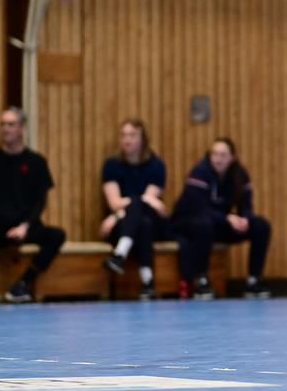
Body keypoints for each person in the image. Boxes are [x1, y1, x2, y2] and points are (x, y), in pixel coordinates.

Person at [0, 106, 65, 304]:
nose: (5, 129)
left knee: (57, 235)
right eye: (3, 124)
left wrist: (25, 225)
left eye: (11, 124)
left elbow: (40, 201)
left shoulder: (35, 162)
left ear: (22, 128)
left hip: (25, 225)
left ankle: (22, 284)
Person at [172, 137, 272, 300]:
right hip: (188, 222)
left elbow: (246, 204)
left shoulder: (239, 174)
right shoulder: (200, 172)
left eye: (223, 155)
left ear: (232, 157)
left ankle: (254, 280)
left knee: (260, 225)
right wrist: (227, 218)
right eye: (215, 154)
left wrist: (244, 219)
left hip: (217, 223)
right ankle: (201, 280)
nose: (218, 159)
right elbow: (198, 208)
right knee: (205, 225)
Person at [99, 119, 173, 301]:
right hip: (125, 225)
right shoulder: (112, 165)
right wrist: (119, 214)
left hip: (150, 223)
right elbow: (115, 202)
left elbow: (147, 204)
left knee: (144, 218)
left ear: (142, 139)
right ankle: (147, 282)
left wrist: (117, 215)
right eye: (123, 135)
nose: (127, 140)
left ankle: (119, 254)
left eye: (132, 135)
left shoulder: (156, 165)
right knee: (143, 222)